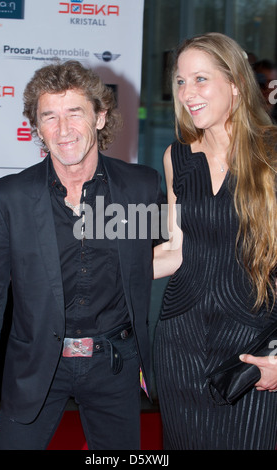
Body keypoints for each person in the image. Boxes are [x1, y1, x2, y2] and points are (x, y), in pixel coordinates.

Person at [0, 60, 164, 450]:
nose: (63, 130)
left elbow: (163, 259)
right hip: (35, 365)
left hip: (115, 362)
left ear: (100, 117)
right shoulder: (7, 198)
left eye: (75, 113)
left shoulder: (139, 187)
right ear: (38, 127)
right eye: (50, 117)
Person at [153, 32, 277, 450]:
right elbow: (175, 250)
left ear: (236, 86)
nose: (188, 92)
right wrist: (93, 263)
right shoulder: (178, 157)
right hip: (179, 340)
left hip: (251, 348)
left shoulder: (272, 154)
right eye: (181, 81)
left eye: (201, 79)